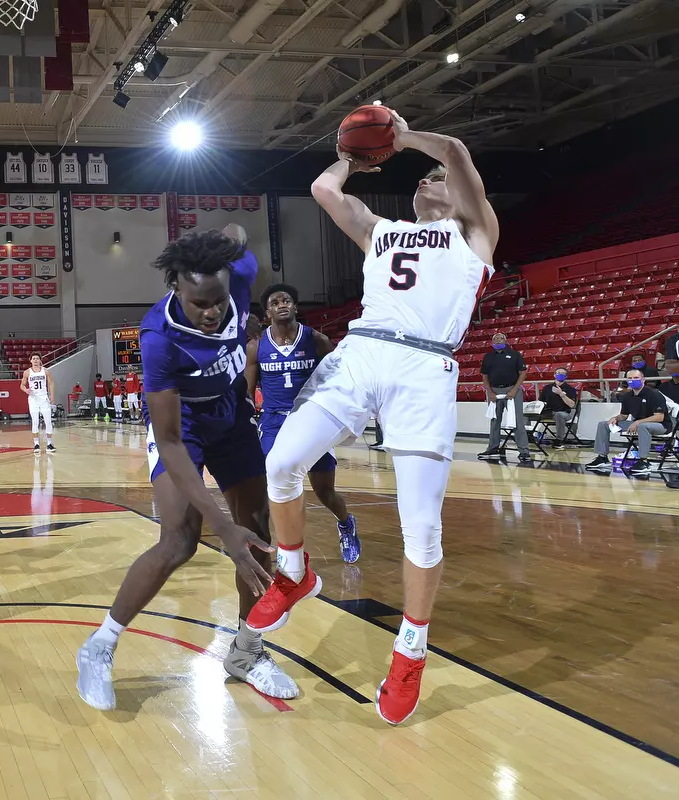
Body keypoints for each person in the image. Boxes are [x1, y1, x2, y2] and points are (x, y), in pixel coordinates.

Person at [252, 109, 497, 725]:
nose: (425, 181)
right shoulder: (381, 230)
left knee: (423, 528)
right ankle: (293, 572)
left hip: (425, 370)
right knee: (280, 462)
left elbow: (459, 153)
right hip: (361, 353)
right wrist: (355, 159)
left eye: (433, 178)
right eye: (419, 178)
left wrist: (401, 134)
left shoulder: (476, 233)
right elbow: (323, 190)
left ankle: (410, 650)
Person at [75, 225, 295, 712]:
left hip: (231, 416)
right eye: (201, 304)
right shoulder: (158, 338)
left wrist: (226, 239)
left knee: (256, 533)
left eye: (218, 301)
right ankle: (100, 646)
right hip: (185, 429)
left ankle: (247, 652)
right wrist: (222, 529)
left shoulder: (237, 276)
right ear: (175, 286)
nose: (213, 311)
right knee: (180, 539)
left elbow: (239, 232)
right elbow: (171, 442)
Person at [245, 282, 360, 564]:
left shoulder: (316, 340)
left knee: (324, 490)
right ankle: (281, 548)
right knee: (272, 483)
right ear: (267, 312)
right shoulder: (256, 347)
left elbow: (338, 378)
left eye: (287, 300)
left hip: (311, 420)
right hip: (273, 422)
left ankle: (346, 523)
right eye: (275, 302)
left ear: (296, 307)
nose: (282, 305)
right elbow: (248, 394)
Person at [584, 369, 672, 478]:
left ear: (643, 380)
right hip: (638, 424)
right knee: (604, 424)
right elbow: (624, 416)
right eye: (630, 378)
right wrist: (615, 418)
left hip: (661, 425)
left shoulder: (653, 394)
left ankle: (643, 461)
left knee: (642, 426)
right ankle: (602, 458)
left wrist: (638, 422)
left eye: (636, 378)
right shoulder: (627, 396)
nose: (632, 380)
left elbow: (659, 417)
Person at [478, 333, 531, 463]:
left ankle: (524, 450)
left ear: (505, 340)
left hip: (512, 390)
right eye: (495, 338)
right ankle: (493, 447)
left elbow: (523, 373)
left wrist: (514, 389)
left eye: (500, 338)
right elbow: (484, 376)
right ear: (492, 342)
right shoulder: (488, 357)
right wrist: (489, 392)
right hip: (494, 391)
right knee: (494, 420)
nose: (498, 340)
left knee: (518, 421)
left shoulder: (515, 355)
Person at [20, 353, 56, 453]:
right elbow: (22, 385)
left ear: (40, 360)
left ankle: (49, 444)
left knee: (48, 421)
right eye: (34, 358)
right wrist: (25, 390)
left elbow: (51, 383)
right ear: (30, 360)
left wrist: (52, 395)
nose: (35, 360)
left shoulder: (45, 371)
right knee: (35, 421)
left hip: (44, 398)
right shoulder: (27, 372)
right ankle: (36, 444)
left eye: (37, 358)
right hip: (33, 399)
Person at [536, 366, 577, 446]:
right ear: (554, 375)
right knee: (527, 413)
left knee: (559, 414)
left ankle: (559, 439)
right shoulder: (547, 388)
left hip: (564, 413)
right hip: (549, 412)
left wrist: (561, 394)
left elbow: (572, 405)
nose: (560, 375)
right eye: (558, 373)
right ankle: (529, 434)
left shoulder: (570, 389)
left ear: (566, 376)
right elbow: (541, 401)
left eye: (563, 373)